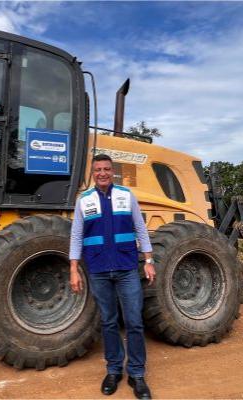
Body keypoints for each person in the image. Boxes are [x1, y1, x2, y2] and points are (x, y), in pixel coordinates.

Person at [69, 153, 156, 399]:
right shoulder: (83, 200)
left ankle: (137, 374)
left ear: (113, 171)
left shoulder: (126, 196)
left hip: (127, 268)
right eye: (98, 170)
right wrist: (73, 268)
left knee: (134, 321)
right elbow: (76, 236)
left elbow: (140, 228)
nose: (103, 173)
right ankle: (114, 370)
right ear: (93, 173)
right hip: (98, 269)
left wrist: (149, 260)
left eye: (107, 169)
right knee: (108, 322)